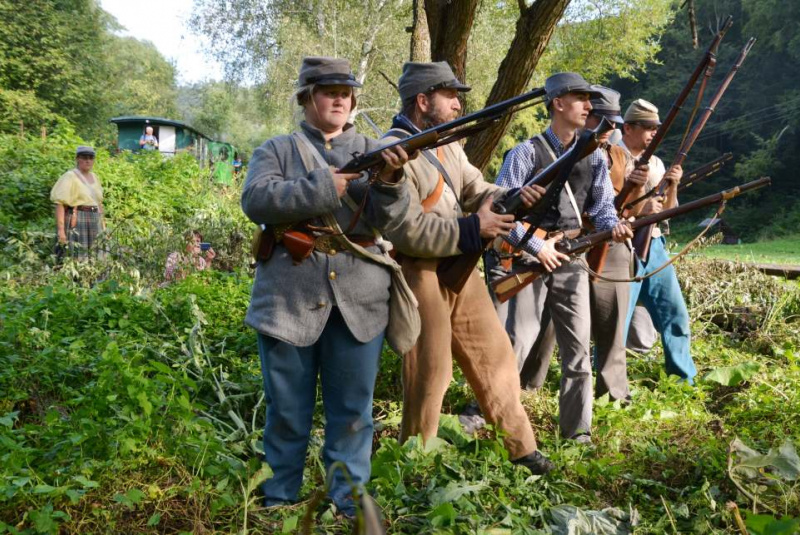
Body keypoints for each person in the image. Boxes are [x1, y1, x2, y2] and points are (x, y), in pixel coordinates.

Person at [241, 56, 411, 515]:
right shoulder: (276, 149)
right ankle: (279, 496)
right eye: (328, 90)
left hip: (361, 297)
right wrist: (325, 186)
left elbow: (394, 222)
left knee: (354, 413)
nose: (339, 98)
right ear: (307, 97)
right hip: (288, 299)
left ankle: (349, 498)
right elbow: (256, 200)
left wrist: (392, 181)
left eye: (346, 91)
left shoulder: (379, 150)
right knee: (287, 411)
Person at [384, 61, 554, 475]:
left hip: (460, 262)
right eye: (450, 96)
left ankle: (521, 449)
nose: (459, 103)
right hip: (418, 268)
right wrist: (472, 227)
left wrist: (514, 193)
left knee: (495, 356)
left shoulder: (447, 145)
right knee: (431, 371)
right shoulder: (391, 153)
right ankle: (416, 458)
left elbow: (477, 188)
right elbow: (406, 230)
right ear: (423, 101)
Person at [491, 73, 633, 443]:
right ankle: (496, 420)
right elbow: (502, 217)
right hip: (529, 259)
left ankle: (577, 432)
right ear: (558, 104)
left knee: (577, 352)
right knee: (517, 344)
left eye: (590, 99)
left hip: (570, 259)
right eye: (581, 99)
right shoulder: (524, 153)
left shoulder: (596, 157)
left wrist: (615, 226)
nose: (589, 106)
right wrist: (538, 247)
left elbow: (602, 210)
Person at [618, 99, 697, 383]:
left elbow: (669, 210)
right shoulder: (613, 158)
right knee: (618, 322)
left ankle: (683, 379)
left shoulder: (656, 163)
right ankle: (606, 381)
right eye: (648, 127)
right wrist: (640, 211)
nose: (654, 132)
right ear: (628, 127)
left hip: (655, 245)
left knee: (674, 314)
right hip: (622, 247)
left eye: (656, 127)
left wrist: (673, 184)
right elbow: (607, 211)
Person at [50, 145, 106, 260]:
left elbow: (99, 203)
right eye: (84, 157)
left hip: (94, 218)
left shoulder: (95, 177)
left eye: (91, 158)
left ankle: (91, 277)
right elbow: (60, 203)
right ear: (77, 159)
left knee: (95, 254)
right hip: (78, 218)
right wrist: (61, 231)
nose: (88, 160)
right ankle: (73, 277)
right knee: (75, 254)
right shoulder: (70, 176)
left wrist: (103, 226)